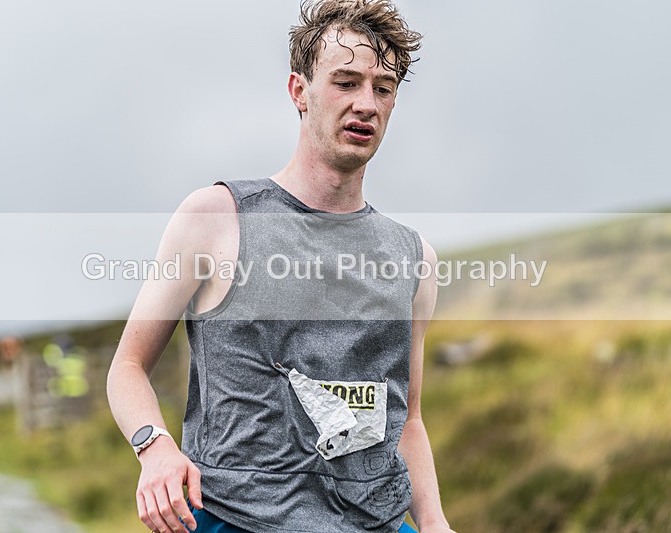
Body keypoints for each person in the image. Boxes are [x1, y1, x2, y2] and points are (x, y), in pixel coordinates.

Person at [107, 1, 454, 531]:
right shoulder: (216, 217)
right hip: (234, 519)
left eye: (383, 88)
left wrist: (432, 523)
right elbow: (127, 367)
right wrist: (154, 448)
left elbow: (404, 420)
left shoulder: (414, 259)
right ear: (299, 91)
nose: (366, 103)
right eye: (346, 82)